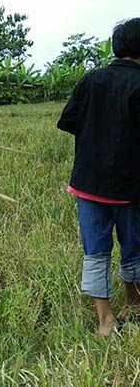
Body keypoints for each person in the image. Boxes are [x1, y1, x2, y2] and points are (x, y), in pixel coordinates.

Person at [57, 17, 140, 337]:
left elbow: (69, 121)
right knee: (134, 247)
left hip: (88, 185)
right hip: (130, 187)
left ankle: (105, 319)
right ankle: (134, 302)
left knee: (95, 251)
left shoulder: (90, 80)